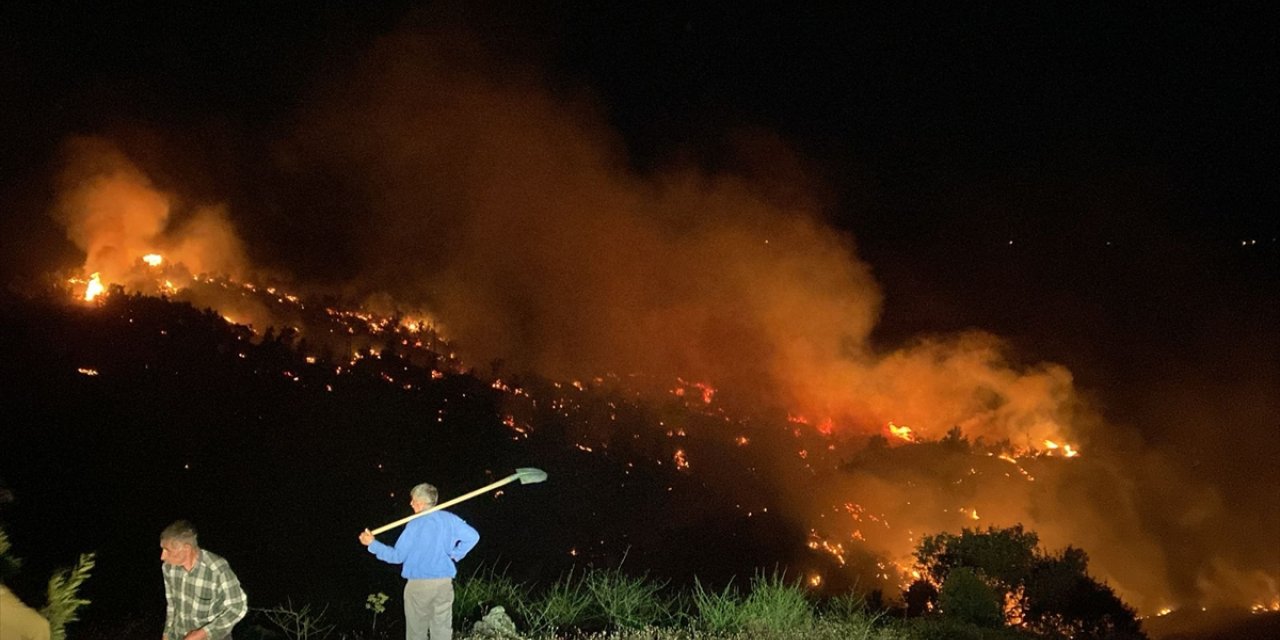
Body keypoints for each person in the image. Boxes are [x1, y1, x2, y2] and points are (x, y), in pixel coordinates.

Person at [360, 483, 479, 640]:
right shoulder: (450, 520)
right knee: (442, 630)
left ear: (421, 503)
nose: (410, 503)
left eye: (413, 500)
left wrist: (373, 544)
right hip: (443, 584)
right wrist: (456, 554)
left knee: (416, 633)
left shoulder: (415, 525)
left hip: (419, 586)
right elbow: (473, 536)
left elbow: (397, 557)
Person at [159, 520, 247, 640]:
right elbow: (172, 604)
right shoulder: (168, 568)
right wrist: (167, 633)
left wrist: (203, 633)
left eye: (167, 550)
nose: (162, 556)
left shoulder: (216, 568)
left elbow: (238, 607)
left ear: (186, 548)